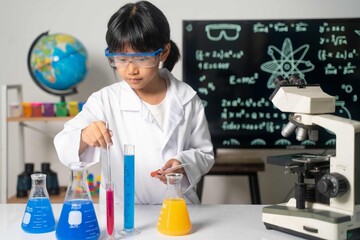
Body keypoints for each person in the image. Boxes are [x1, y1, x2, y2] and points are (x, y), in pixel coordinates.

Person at [54, 1, 214, 204]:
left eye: (141, 58)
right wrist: (85, 135)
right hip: (124, 214)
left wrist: (182, 164)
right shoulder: (105, 101)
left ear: (163, 52)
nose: (131, 70)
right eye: (120, 58)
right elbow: (63, 144)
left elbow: (204, 154)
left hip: (178, 208)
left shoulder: (187, 99)